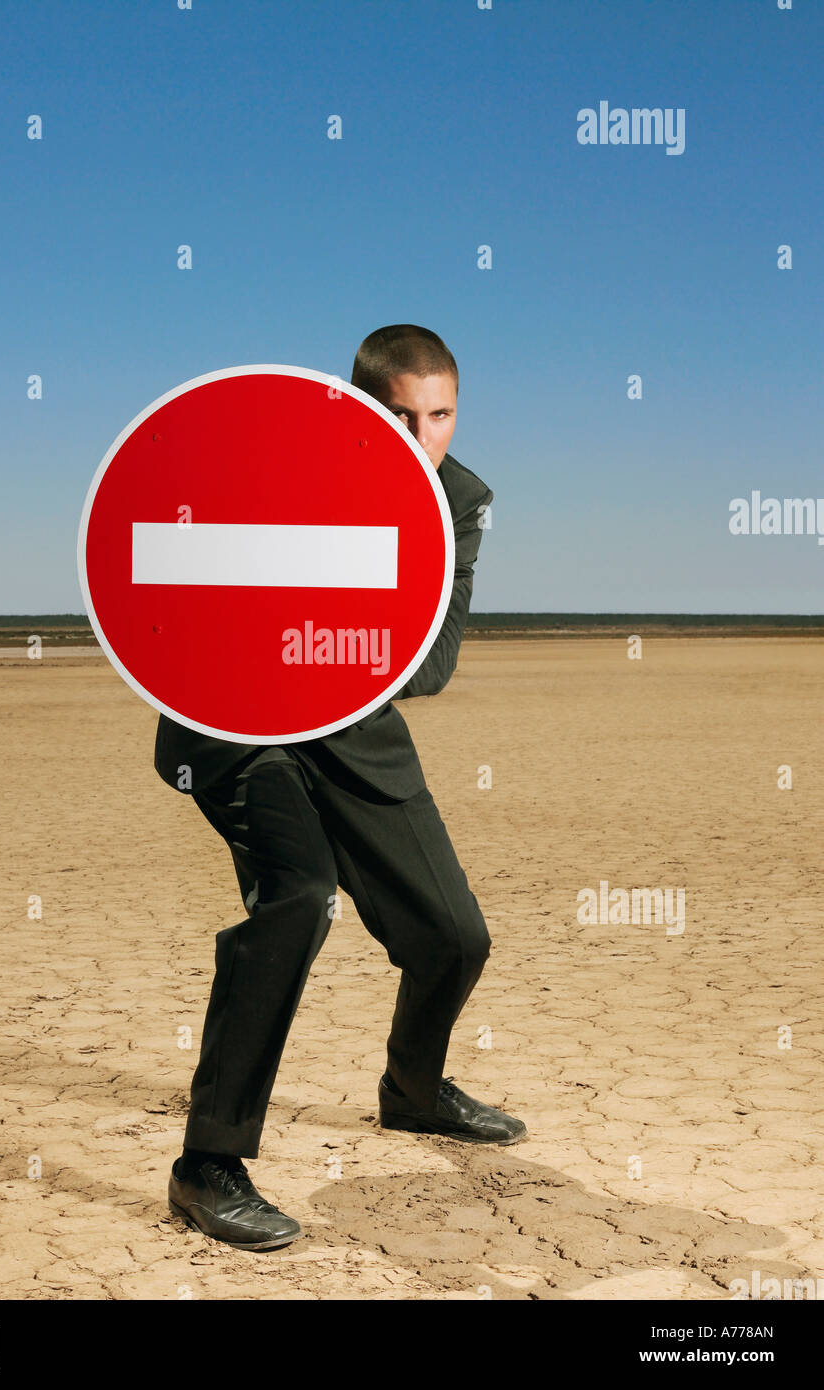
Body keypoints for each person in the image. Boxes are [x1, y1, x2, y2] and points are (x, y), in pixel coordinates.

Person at [155, 325, 527, 1251]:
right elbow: (178, 575)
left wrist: (317, 632)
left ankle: (411, 1090)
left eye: (438, 415)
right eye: (399, 414)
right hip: (241, 729)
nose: (419, 436)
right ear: (358, 405)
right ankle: (207, 1166)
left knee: (452, 936)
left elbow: (431, 663)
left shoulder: (457, 503)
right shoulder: (278, 467)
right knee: (298, 898)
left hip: (355, 733)